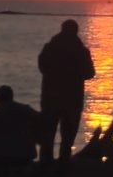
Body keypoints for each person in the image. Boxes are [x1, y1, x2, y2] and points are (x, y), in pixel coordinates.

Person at [38, 19, 95, 166]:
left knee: (47, 135)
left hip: (51, 98)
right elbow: (90, 73)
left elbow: (42, 67)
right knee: (68, 137)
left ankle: (46, 165)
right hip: (72, 100)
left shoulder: (50, 48)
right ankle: (63, 165)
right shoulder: (82, 51)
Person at [0, 85, 40, 169]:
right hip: (25, 155)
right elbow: (40, 118)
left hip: (2, 157)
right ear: (12, 96)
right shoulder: (25, 109)